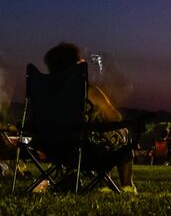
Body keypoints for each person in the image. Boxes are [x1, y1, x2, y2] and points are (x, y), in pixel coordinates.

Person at [42, 43, 136, 193]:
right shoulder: (87, 90)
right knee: (121, 132)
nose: (84, 62)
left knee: (99, 134)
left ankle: (104, 184)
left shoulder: (44, 91)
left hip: (51, 147)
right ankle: (127, 186)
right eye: (80, 60)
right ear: (76, 65)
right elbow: (115, 117)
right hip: (85, 149)